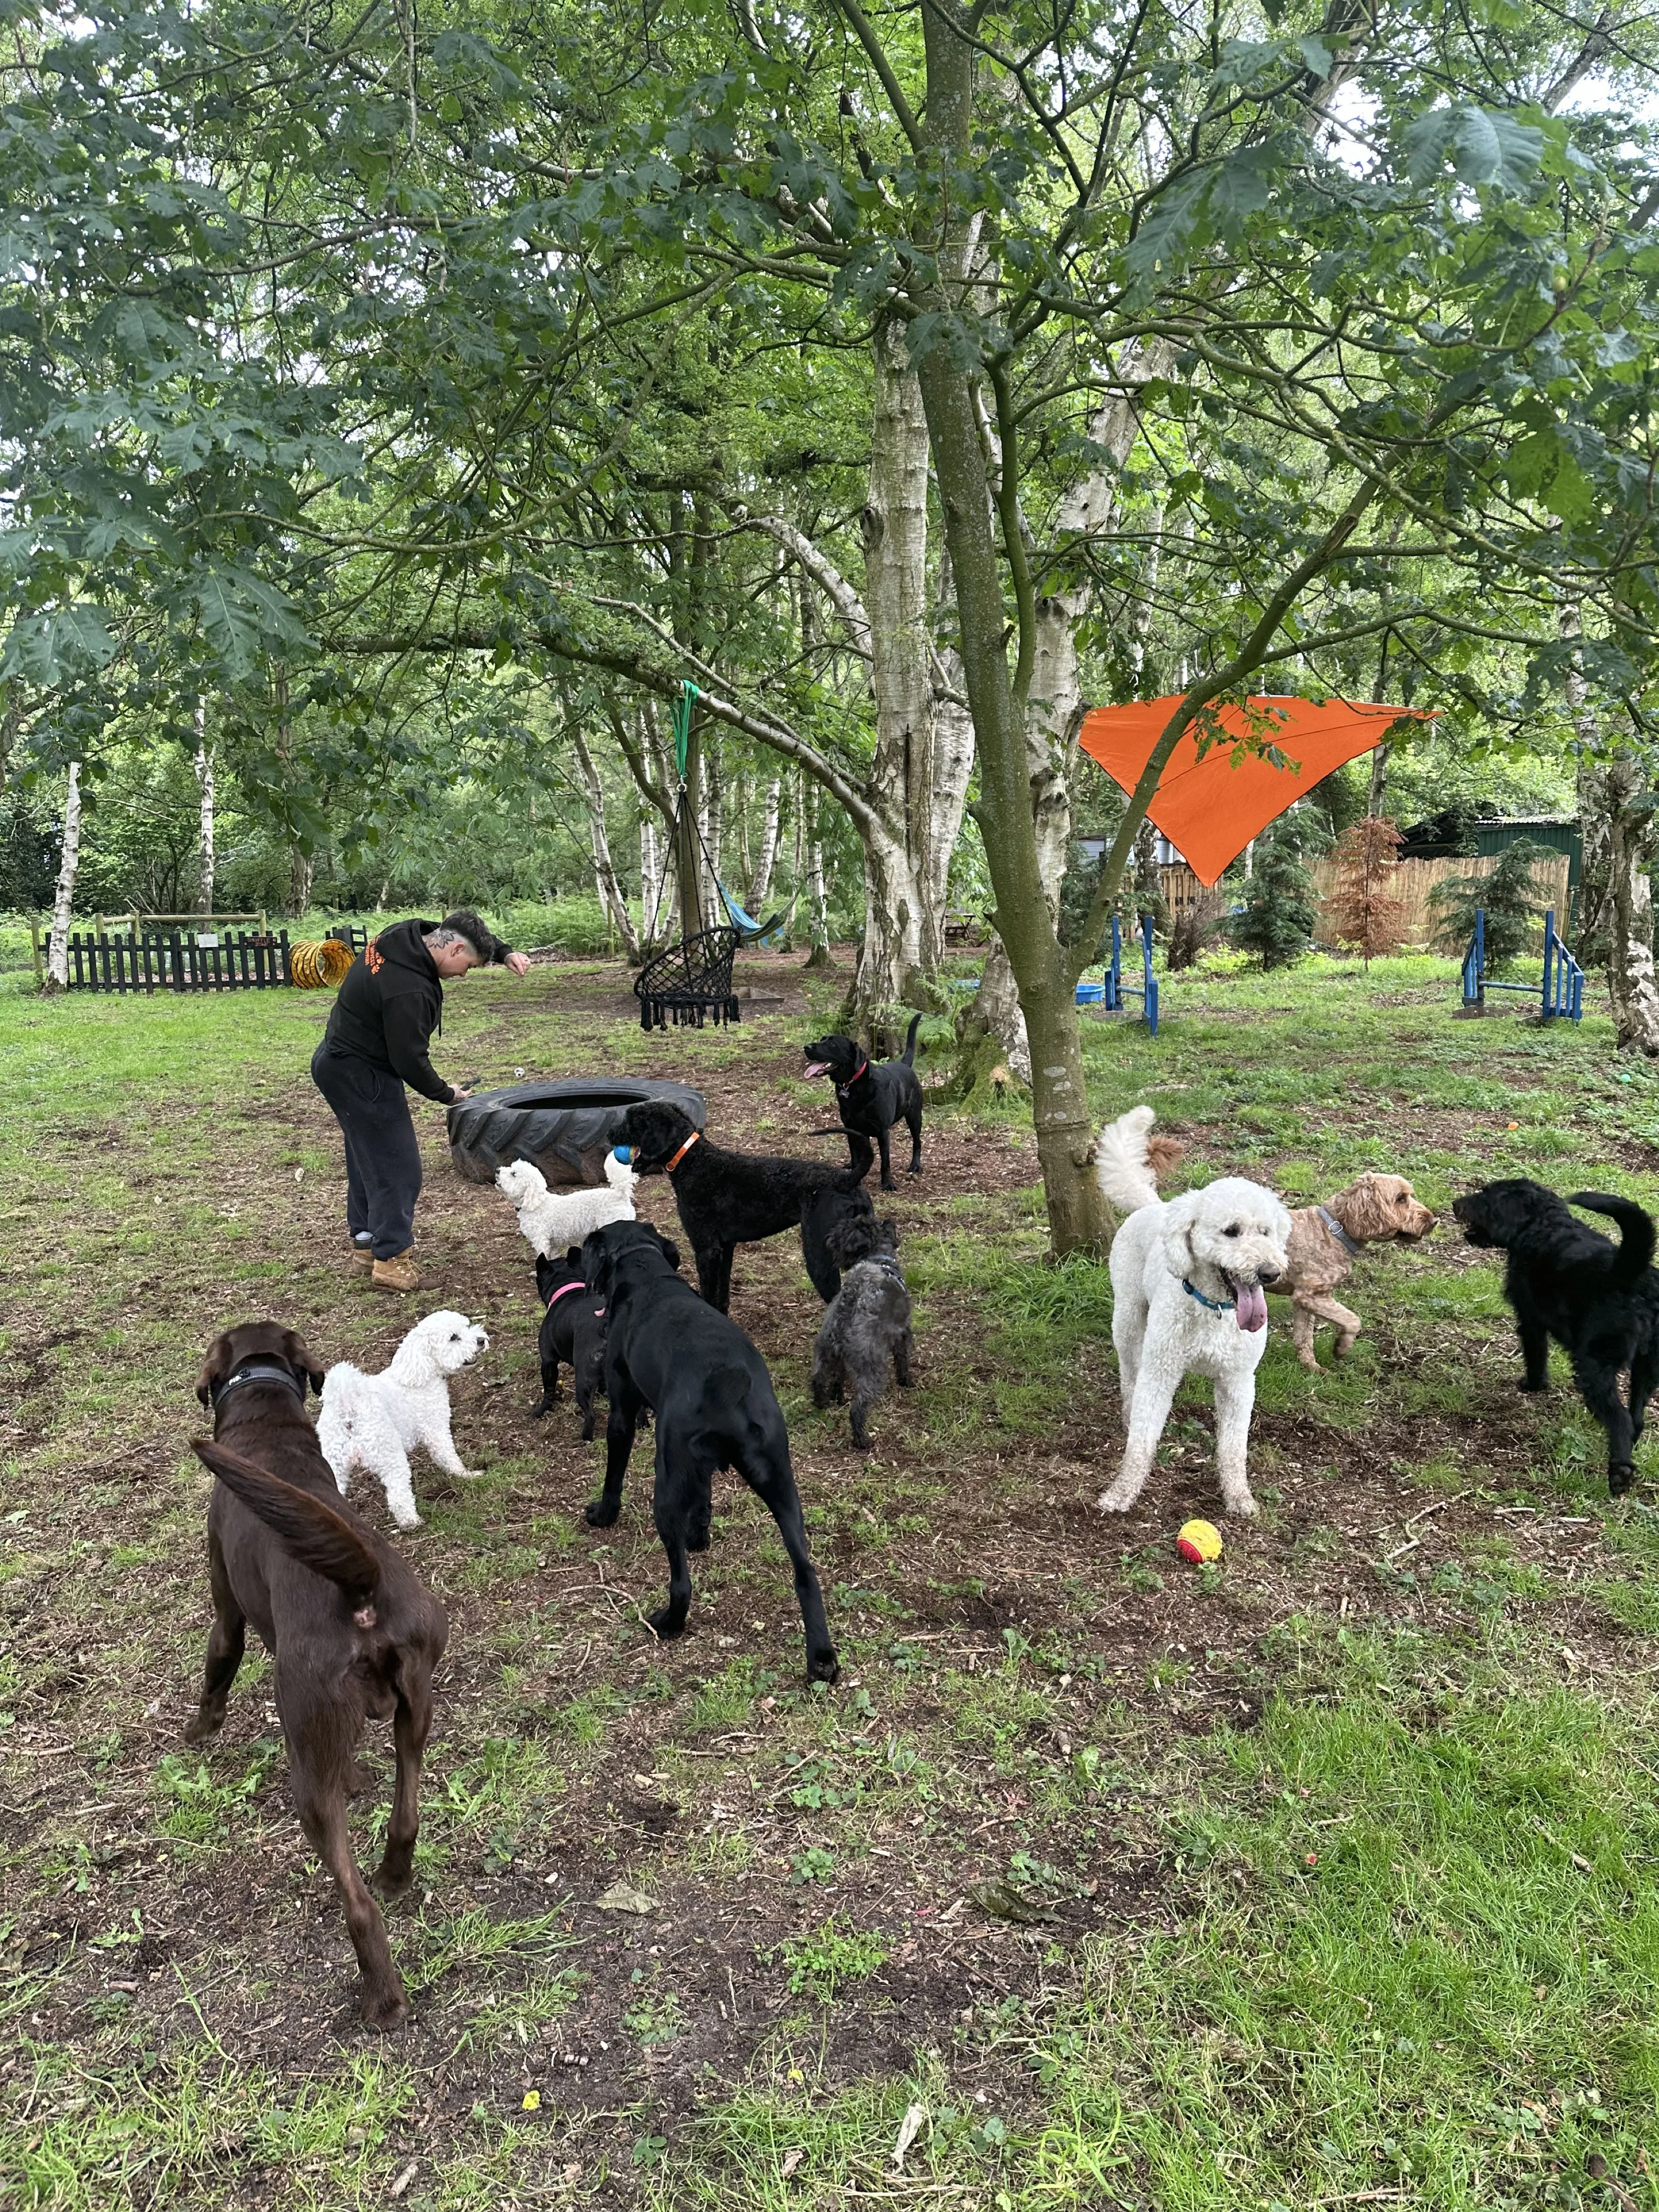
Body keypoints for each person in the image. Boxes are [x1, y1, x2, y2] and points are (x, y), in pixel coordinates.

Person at [311, 910, 531, 1292]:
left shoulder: (407, 935)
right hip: (363, 1073)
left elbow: (467, 928)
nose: (465, 974)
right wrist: (448, 1094)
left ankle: (367, 1247)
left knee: (369, 1157)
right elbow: (409, 1060)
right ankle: (392, 1262)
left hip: (337, 1060)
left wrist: (503, 952)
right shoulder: (408, 989)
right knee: (398, 1168)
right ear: (455, 948)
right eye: (469, 966)